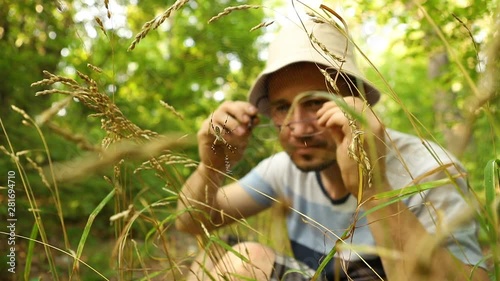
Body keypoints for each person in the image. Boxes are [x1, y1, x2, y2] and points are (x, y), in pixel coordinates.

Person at [175, 16, 489, 281]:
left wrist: (372, 187)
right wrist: (211, 167)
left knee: (245, 258)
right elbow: (191, 222)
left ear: (358, 100)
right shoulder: (284, 169)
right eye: (283, 107)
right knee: (218, 257)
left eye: (315, 102)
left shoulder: (428, 168)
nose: (298, 128)